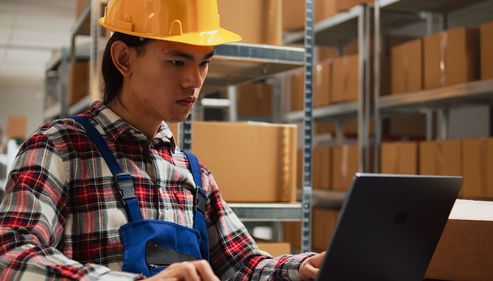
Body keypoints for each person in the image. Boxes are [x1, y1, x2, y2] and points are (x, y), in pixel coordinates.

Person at [0, 0, 325, 280]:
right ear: (124, 59)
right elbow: (11, 258)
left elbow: (243, 266)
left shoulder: (193, 174)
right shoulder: (59, 149)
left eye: (204, 63)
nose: (194, 81)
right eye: (176, 61)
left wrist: (304, 267)